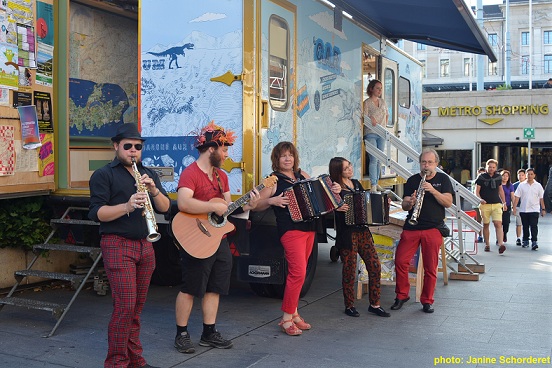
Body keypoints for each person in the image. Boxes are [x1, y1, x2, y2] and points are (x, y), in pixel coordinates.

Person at [173, 121, 259, 353]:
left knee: (216, 287)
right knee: (190, 288)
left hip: (218, 239)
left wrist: (248, 204)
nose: (226, 154)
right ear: (211, 149)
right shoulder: (191, 173)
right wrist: (211, 206)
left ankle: (208, 332)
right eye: (224, 149)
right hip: (196, 239)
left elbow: (227, 208)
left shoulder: (221, 176)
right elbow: (183, 202)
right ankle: (181, 333)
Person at [89, 123, 170, 368]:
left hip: (145, 244)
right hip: (117, 244)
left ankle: (135, 360)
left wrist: (154, 190)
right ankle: (116, 362)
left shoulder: (148, 173)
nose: (133, 151)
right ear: (116, 147)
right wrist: (127, 205)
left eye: (138, 147)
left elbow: (165, 208)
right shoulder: (104, 175)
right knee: (124, 307)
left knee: (136, 308)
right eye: (128, 146)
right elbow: (96, 213)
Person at [254, 141, 341, 336]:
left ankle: (294, 314)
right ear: (277, 159)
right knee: (298, 273)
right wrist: (271, 200)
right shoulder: (273, 180)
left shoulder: (303, 176)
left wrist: (334, 189)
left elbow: (325, 193)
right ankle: (286, 318)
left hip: (310, 229)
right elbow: (256, 204)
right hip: (291, 229)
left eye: (290, 155)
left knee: (299, 273)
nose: (287, 159)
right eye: (283, 155)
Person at [390, 148, 453, 314]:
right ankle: (402, 295)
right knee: (401, 261)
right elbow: (404, 204)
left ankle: (427, 300)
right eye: (423, 162)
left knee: (430, 268)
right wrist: (409, 202)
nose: (426, 165)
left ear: (436, 164)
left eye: (430, 162)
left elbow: (448, 202)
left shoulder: (443, 179)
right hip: (412, 227)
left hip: (433, 228)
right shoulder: (412, 180)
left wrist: (432, 190)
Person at [329, 157, 390, 318]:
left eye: (350, 166)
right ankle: (349, 305)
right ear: (338, 172)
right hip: (347, 234)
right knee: (349, 270)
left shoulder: (356, 183)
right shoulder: (334, 187)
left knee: (374, 265)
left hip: (362, 231)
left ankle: (375, 304)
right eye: (346, 168)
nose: (350, 169)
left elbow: (366, 202)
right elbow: (326, 207)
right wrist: (337, 205)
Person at [475, 159, 507, 254]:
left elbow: (501, 190)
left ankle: (501, 244)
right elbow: (476, 191)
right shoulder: (481, 177)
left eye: (493, 167)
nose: (491, 169)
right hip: (485, 204)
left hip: (496, 203)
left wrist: (504, 202)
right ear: (486, 167)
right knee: (486, 224)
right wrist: (480, 199)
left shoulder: (498, 177)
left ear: (496, 168)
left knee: (498, 223)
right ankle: (487, 244)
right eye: (490, 167)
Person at [363, 79, 388, 193]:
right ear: (371, 89)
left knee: (379, 160)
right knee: (374, 158)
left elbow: (386, 114)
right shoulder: (367, 102)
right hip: (371, 133)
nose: (379, 90)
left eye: (381, 88)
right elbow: (363, 115)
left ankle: (377, 183)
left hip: (381, 133)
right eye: (377, 88)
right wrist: (370, 118)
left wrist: (384, 126)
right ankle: (373, 184)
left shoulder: (383, 102)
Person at [512, 168, 546, 250]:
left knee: (534, 226)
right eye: (528, 174)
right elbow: (517, 197)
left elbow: (541, 198)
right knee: (525, 226)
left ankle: (534, 241)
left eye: (531, 174)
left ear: (534, 175)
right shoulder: (521, 185)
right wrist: (514, 208)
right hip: (524, 209)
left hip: (534, 209)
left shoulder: (538, 186)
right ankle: (525, 240)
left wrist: (543, 209)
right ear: (526, 175)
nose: (530, 176)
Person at [500, 170, 515, 243]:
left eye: (507, 176)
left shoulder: (510, 185)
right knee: (499, 222)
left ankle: (504, 233)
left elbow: (512, 196)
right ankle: (499, 237)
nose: (505, 177)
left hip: (507, 205)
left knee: (506, 222)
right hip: (498, 206)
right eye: (503, 176)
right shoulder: (498, 185)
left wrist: (513, 206)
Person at [512, 169, 526, 246]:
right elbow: (513, 197)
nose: (520, 177)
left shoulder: (528, 184)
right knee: (518, 223)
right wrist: (513, 206)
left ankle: (525, 237)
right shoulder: (514, 185)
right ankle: (518, 238)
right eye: (519, 175)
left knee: (526, 223)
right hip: (518, 206)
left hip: (527, 207)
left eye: (522, 175)